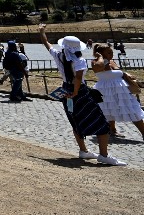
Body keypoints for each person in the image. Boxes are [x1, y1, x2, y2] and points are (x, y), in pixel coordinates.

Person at [39, 25, 125, 166]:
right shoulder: (79, 61)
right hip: (80, 92)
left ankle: (83, 150)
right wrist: (77, 91)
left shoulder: (58, 55)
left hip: (66, 89)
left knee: (75, 120)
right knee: (101, 123)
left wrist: (42, 31)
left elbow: (46, 43)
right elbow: (78, 78)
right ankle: (104, 155)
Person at [91, 43, 144, 140]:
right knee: (109, 109)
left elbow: (118, 72)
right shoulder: (96, 62)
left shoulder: (112, 62)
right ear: (100, 53)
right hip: (105, 89)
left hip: (120, 89)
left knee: (132, 109)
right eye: (108, 52)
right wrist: (100, 57)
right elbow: (99, 67)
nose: (111, 54)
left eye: (111, 52)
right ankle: (112, 130)